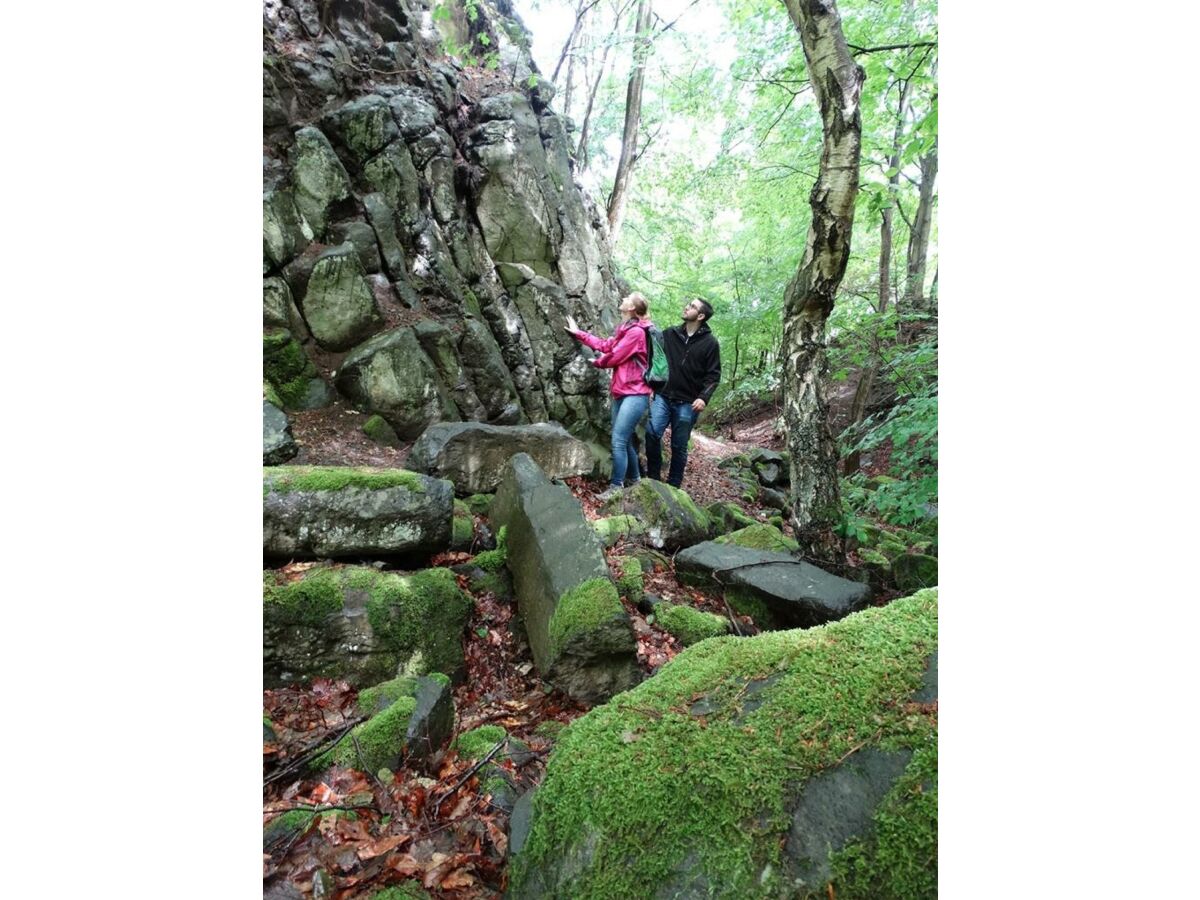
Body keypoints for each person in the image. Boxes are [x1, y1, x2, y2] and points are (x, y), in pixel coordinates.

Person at [565, 293, 654, 499]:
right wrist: (579, 334)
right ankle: (635, 480)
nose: (623, 298)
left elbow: (614, 356)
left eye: (627, 298)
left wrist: (596, 363)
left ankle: (616, 487)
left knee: (619, 440)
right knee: (625, 440)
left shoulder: (637, 333)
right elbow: (606, 345)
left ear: (632, 308)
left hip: (636, 394)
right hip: (622, 392)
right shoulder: (625, 330)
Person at [645, 298, 721, 489]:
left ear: (701, 316)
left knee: (679, 446)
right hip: (663, 395)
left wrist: (703, 398)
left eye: (692, 306)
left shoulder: (710, 343)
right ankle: (653, 479)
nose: (687, 307)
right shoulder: (671, 333)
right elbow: (654, 350)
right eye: (688, 304)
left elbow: (713, 375)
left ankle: (673, 487)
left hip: (688, 403)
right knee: (652, 433)